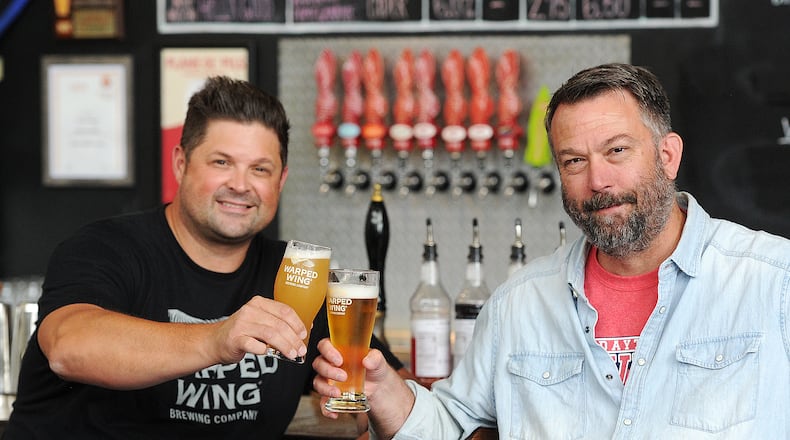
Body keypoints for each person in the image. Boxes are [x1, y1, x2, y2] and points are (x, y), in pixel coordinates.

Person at [313, 63, 790, 439]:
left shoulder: (773, 280)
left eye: (618, 151)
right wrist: (386, 395)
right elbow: (452, 426)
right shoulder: (519, 303)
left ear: (667, 156)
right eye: (574, 161)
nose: (598, 181)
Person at [5, 76, 406, 439]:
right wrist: (218, 338)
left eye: (260, 169)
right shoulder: (105, 248)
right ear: (181, 163)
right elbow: (68, 348)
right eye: (221, 162)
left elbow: (392, 389)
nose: (240, 185)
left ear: (280, 181)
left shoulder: (298, 273)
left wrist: (364, 399)